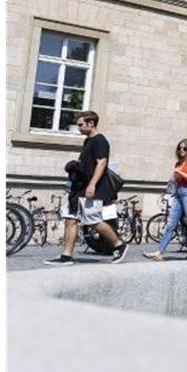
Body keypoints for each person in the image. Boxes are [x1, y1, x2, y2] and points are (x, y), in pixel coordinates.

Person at [45, 110, 128, 265]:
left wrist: (92, 184)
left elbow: (101, 163)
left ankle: (119, 245)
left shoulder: (100, 140)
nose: (79, 128)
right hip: (80, 188)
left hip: (91, 189)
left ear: (91, 123)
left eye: (81, 124)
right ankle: (66, 256)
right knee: (71, 219)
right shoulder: (88, 141)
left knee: (92, 221)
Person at [143, 138, 187, 260]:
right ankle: (159, 252)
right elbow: (176, 180)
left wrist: (180, 173)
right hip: (179, 193)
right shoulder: (178, 163)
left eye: (185, 148)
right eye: (179, 148)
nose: (181, 150)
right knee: (171, 224)